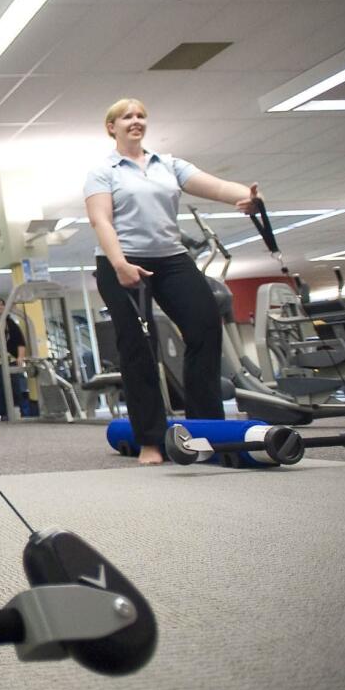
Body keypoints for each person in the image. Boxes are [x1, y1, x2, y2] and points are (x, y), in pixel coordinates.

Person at [85, 98, 262, 465]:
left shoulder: (168, 164)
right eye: (127, 116)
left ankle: (206, 429)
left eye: (141, 115)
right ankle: (150, 439)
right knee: (137, 347)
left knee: (204, 328)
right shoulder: (103, 171)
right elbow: (101, 221)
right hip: (121, 261)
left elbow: (214, 186)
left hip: (171, 258)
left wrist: (244, 197)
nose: (136, 121)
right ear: (111, 127)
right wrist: (119, 264)